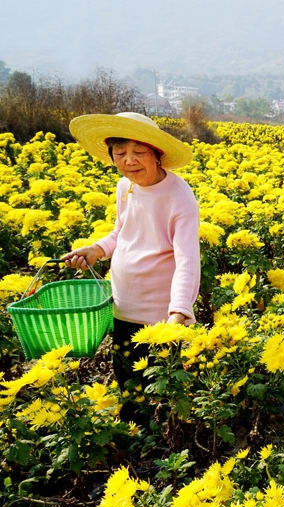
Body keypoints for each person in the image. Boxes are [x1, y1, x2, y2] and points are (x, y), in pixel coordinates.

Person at [61, 112, 201, 402]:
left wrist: (178, 312)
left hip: (158, 319)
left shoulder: (179, 197)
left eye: (139, 152)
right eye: (120, 153)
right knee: (128, 385)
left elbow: (187, 260)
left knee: (159, 393)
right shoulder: (125, 186)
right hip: (122, 308)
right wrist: (96, 250)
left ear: (157, 154)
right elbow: (120, 232)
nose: (129, 160)